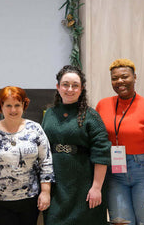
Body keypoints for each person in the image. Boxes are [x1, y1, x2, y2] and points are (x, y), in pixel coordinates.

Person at [96, 59, 144, 225]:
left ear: (134, 77)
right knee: (121, 222)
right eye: (115, 78)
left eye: (125, 76)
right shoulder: (103, 105)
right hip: (115, 173)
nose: (120, 81)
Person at [42, 65, 111, 225]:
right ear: (58, 87)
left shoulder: (91, 116)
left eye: (75, 85)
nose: (70, 89)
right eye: (65, 84)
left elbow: (102, 154)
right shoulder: (50, 114)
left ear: (82, 88)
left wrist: (96, 188)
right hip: (56, 183)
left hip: (84, 184)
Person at [0, 86, 54, 225]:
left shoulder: (35, 129)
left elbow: (46, 162)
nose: (13, 110)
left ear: (24, 105)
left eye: (17, 105)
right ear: (0, 106)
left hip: (31, 199)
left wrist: (45, 191)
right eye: (8, 105)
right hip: (0, 201)